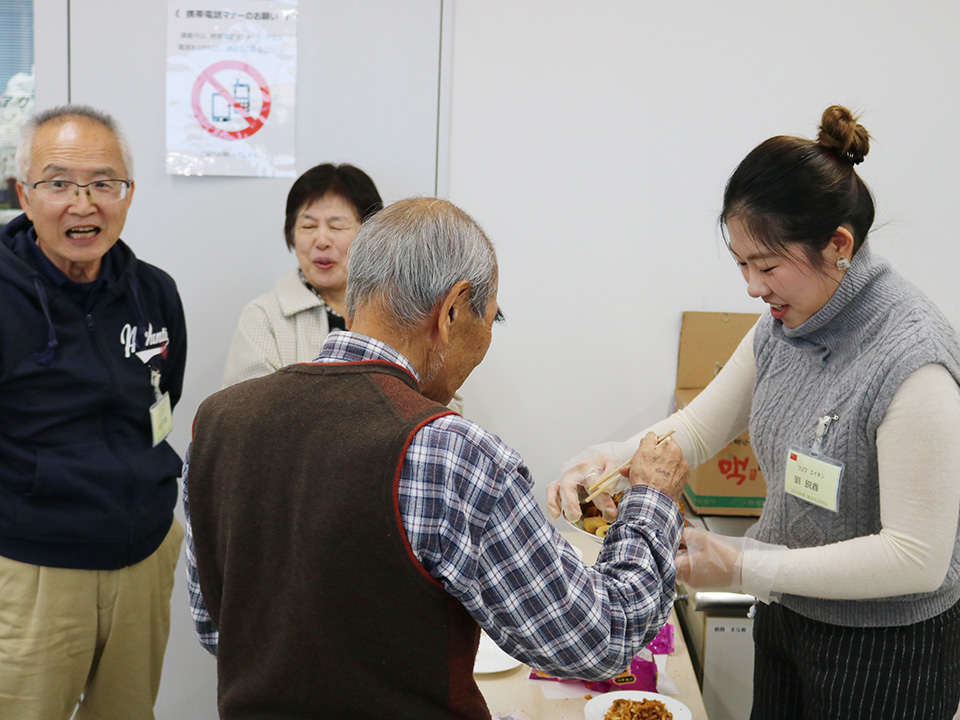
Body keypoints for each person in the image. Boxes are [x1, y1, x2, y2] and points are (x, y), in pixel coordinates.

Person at [183, 197, 688, 719]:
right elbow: (596, 639)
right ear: (452, 310)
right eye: (491, 319)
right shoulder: (452, 452)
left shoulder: (217, 423)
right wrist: (650, 501)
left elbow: (213, 624)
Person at [548, 105, 960, 720]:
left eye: (766, 266)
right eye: (741, 264)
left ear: (838, 246)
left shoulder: (912, 358)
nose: (751, 286)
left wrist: (742, 564)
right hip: (786, 616)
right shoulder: (786, 324)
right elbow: (693, 429)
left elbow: (915, 556)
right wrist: (605, 460)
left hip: (887, 655)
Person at [0, 105, 187, 719]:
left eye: (104, 183)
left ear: (127, 194)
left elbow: (163, 397)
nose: (84, 204)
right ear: (25, 195)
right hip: (32, 572)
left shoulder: (154, 290)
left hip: (142, 557)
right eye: (59, 184)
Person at [221, 162, 382, 387]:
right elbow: (243, 414)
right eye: (308, 226)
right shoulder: (263, 318)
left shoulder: (400, 310)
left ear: (371, 234)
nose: (322, 241)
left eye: (336, 227)